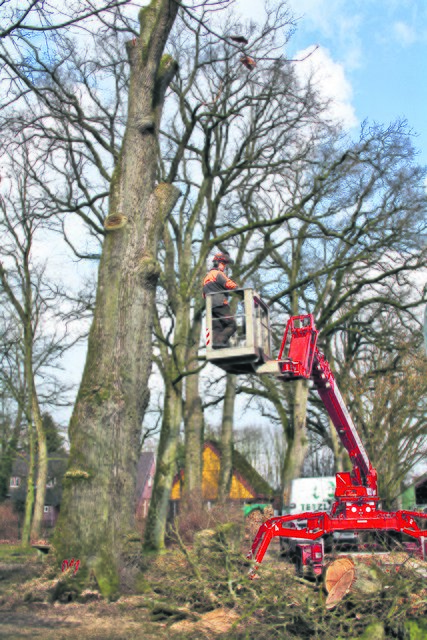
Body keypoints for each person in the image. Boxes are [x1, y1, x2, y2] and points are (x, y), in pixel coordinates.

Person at [203, 252, 239, 347]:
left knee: (217, 328)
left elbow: (204, 295)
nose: (224, 267)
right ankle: (220, 341)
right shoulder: (217, 274)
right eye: (223, 264)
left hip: (210, 307)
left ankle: (217, 345)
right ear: (217, 263)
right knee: (232, 325)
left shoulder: (206, 277)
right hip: (221, 304)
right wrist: (238, 289)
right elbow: (228, 283)